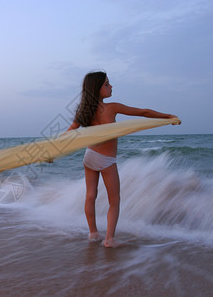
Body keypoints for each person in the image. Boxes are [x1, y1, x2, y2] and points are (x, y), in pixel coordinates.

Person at [66, 71, 179, 248]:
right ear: (96, 89)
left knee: (90, 196)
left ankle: (93, 233)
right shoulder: (111, 108)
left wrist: (52, 152)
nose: (111, 87)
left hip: (89, 156)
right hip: (106, 160)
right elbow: (143, 112)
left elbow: (70, 132)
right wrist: (167, 116)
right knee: (114, 200)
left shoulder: (84, 111)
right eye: (106, 84)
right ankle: (109, 239)